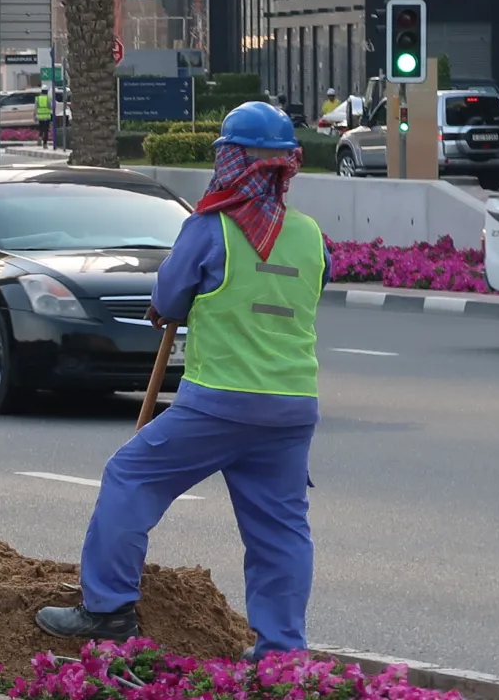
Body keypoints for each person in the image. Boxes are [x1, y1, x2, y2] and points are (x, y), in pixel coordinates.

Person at [36, 100, 330, 661]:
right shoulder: (310, 235)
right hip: (292, 406)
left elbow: (168, 298)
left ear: (232, 163)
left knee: (129, 479)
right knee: (280, 532)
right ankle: (281, 653)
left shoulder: (211, 227)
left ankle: (108, 610)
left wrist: (176, 303)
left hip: (221, 398)